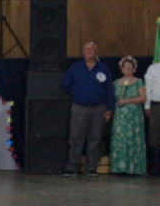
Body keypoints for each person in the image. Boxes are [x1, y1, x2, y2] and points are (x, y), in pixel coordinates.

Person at [61, 41, 115, 176]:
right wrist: (77, 93)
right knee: (75, 139)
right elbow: (65, 84)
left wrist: (110, 108)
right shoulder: (75, 68)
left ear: (96, 51)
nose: (89, 51)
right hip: (79, 107)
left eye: (92, 49)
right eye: (86, 49)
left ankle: (91, 168)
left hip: (99, 108)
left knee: (95, 139)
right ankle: (72, 167)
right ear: (83, 52)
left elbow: (109, 89)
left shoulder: (104, 68)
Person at [110, 56, 147, 175]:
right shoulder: (116, 83)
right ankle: (120, 168)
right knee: (121, 139)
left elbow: (143, 98)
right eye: (125, 66)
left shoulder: (139, 82)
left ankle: (134, 168)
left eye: (130, 66)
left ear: (134, 69)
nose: (128, 68)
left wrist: (127, 101)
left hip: (134, 117)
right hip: (120, 117)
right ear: (121, 68)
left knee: (133, 139)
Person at [145, 60, 160, 175]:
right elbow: (148, 88)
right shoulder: (153, 68)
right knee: (154, 136)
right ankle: (156, 168)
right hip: (157, 105)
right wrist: (147, 106)